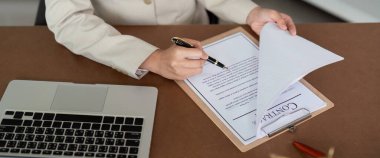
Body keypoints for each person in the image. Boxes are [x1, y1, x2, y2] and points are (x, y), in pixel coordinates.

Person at [45, 0, 296, 80]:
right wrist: (151, 58)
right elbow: (69, 20)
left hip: (195, 42)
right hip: (111, 51)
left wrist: (249, 12)